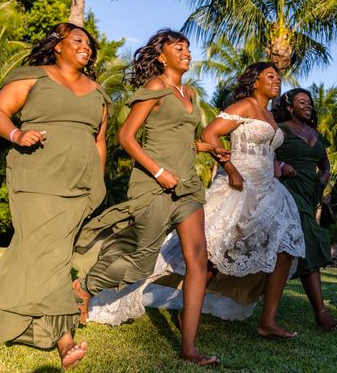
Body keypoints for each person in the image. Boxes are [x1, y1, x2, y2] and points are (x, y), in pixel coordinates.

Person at [72, 29, 224, 365]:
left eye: (187, 46)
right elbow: (127, 137)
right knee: (140, 263)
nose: (186, 51)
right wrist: (158, 172)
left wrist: (208, 148)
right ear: (161, 56)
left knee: (198, 261)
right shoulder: (155, 88)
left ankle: (189, 347)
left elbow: (183, 137)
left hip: (186, 187)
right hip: (153, 184)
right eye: (178, 47)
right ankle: (84, 288)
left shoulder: (192, 94)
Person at [0, 23, 111, 369]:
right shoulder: (34, 77)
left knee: (53, 254)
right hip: (36, 177)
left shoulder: (98, 92)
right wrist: (16, 133)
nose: (87, 47)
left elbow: (100, 140)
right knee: (50, 255)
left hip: (80, 185)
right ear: (57, 46)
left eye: (90, 44)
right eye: (78, 40)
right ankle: (64, 339)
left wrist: (98, 181)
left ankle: (39, 319)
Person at [200, 62, 305, 338]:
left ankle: (267, 321)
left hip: (270, 189)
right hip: (241, 185)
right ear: (255, 81)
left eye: (279, 77)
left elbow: (266, 153)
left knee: (287, 244)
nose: (277, 80)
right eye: (270, 76)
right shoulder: (245, 106)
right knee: (220, 249)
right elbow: (209, 134)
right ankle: (191, 307)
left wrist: (279, 168)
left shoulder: (271, 116)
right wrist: (231, 169)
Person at [273, 88, 337, 331]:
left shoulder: (314, 133)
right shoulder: (280, 128)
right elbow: (260, 154)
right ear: (289, 106)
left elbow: (325, 164)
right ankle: (321, 313)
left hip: (309, 193)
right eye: (302, 102)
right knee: (309, 240)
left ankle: (268, 313)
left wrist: (323, 178)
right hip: (286, 190)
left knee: (290, 248)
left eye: (310, 102)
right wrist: (280, 164)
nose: (308, 106)